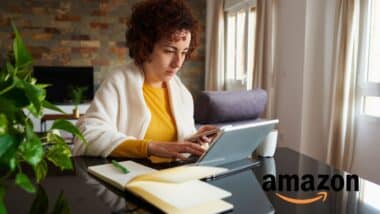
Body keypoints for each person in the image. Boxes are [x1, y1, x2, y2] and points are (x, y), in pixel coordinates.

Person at [73, 0, 216, 163]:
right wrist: (149, 147)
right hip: (132, 181)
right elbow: (87, 136)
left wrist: (194, 141)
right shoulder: (118, 83)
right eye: (169, 51)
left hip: (172, 180)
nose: (178, 63)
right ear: (146, 46)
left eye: (184, 52)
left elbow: (175, 147)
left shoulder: (182, 93)